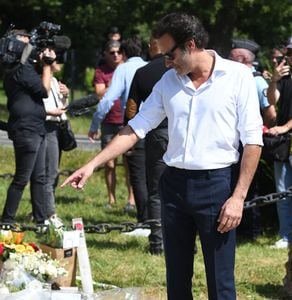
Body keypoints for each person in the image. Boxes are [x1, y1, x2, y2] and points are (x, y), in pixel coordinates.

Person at [62, 13, 262, 299]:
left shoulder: (238, 76)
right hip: (174, 187)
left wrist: (238, 197)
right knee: (177, 279)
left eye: (169, 55)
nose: (166, 63)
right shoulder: (169, 81)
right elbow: (136, 127)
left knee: (221, 281)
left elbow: (253, 141)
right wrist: (92, 164)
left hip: (217, 186)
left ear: (190, 45)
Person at [1, 30, 59, 224]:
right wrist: (47, 66)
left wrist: (46, 64)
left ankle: (40, 220)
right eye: (25, 44)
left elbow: (29, 101)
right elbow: (44, 90)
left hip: (35, 127)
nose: (30, 48)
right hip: (27, 130)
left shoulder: (20, 69)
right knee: (21, 179)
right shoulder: (20, 70)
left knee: (39, 177)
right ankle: (7, 221)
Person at [89, 36, 148, 220]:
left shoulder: (123, 69)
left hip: (131, 124)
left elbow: (108, 99)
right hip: (153, 125)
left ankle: (143, 217)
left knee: (134, 169)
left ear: (123, 53)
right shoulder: (150, 67)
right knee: (145, 172)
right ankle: (148, 213)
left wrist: (94, 123)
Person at [125, 37, 169, 254]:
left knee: (156, 191)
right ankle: (185, 241)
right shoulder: (181, 69)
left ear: (153, 48)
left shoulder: (143, 72)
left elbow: (131, 107)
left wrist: (130, 137)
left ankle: (158, 244)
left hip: (157, 134)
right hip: (184, 134)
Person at [229, 39, 274, 241]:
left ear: (241, 58)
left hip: (249, 141)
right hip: (230, 139)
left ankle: (251, 230)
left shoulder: (256, 81)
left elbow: (270, 113)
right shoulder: (231, 78)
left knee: (250, 184)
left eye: (231, 57)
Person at [266, 35, 292, 249]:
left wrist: (285, 127)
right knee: (282, 190)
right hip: (284, 142)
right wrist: (274, 80)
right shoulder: (284, 77)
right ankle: (285, 235)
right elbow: (271, 100)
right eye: (289, 53)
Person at [92, 40, 134, 208]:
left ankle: (131, 199)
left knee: (129, 163)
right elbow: (99, 93)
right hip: (109, 122)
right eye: (112, 52)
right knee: (109, 163)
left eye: (118, 52)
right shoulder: (101, 71)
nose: (115, 55)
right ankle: (111, 198)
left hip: (127, 121)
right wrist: (114, 84)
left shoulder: (128, 69)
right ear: (105, 54)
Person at [43, 60, 69, 221]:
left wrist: (65, 96)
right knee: (50, 172)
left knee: (53, 172)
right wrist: (51, 112)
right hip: (47, 127)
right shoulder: (43, 80)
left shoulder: (53, 80)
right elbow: (39, 106)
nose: (60, 62)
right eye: (57, 59)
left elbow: (62, 107)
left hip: (57, 127)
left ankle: (42, 210)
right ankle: (49, 213)